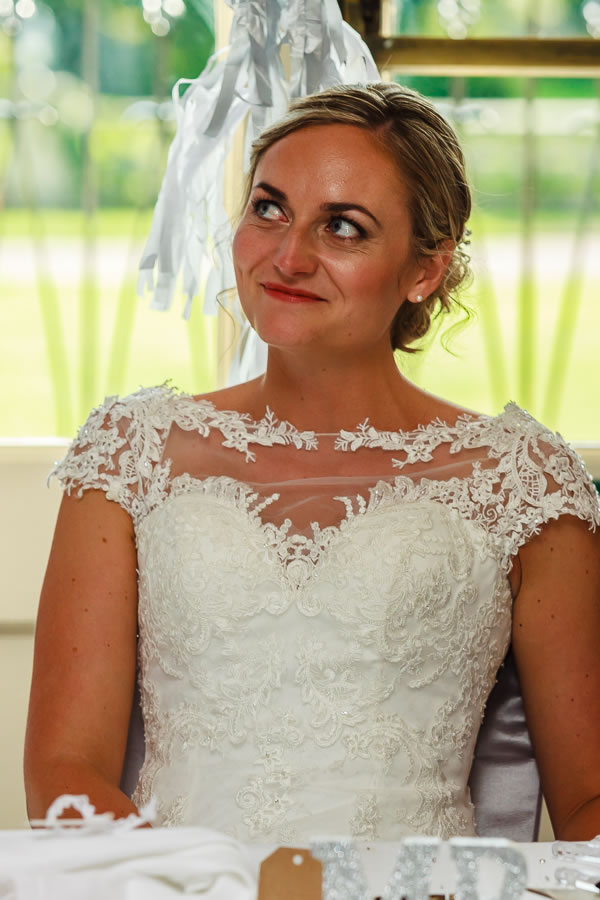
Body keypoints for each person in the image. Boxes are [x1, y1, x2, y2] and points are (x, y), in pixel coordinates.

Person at [25, 83, 600, 843]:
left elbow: (589, 806)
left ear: (425, 269)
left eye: (343, 227)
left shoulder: (523, 482)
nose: (288, 257)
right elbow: (65, 773)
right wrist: (196, 888)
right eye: (269, 209)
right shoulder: (129, 454)